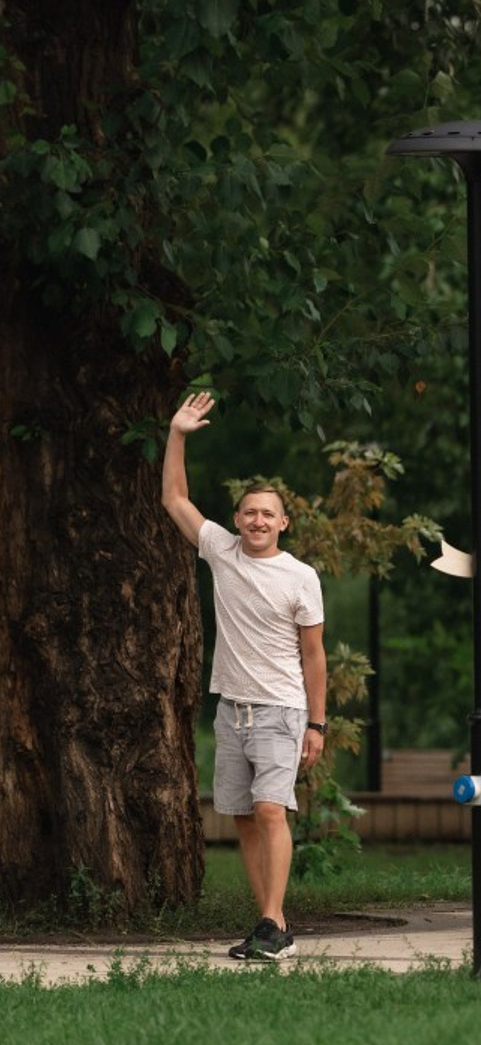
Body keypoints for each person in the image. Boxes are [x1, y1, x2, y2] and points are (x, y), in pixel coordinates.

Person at [162, 391, 327, 960]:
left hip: (282, 709)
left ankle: (272, 926)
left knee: (269, 809)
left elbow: (314, 657)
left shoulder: (300, 576)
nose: (257, 520)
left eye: (268, 513)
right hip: (231, 709)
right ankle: (271, 923)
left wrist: (318, 724)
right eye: (249, 512)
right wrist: (178, 433)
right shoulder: (222, 551)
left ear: (284, 522)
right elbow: (176, 498)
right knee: (241, 816)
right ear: (237, 520)